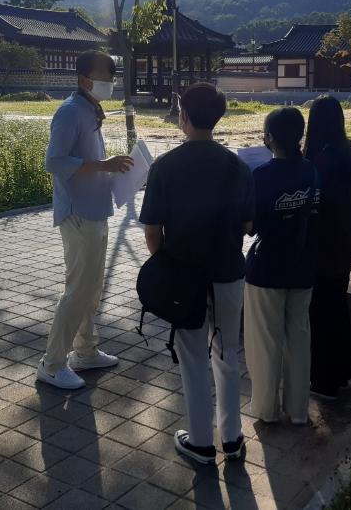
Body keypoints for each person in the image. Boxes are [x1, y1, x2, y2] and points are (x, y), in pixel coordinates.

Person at [139, 83, 255, 465]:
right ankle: (233, 439)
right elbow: (248, 225)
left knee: (192, 359)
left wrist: (167, 266)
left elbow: (152, 233)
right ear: (219, 117)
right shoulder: (238, 167)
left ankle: (201, 443)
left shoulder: (165, 166)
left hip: (183, 278)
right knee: (228, 354)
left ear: (183, 116)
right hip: (228, 273)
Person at [37, 51, 134, 390]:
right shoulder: (69, 112)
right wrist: (104, 166)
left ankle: (86, 351)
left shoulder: (89, 109)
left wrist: (113, 172)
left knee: (91, 288)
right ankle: (52, 364)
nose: (110, 84)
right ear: (83, 80)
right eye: (104, 78)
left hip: (94, 209)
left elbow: (87, 161)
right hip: (78, 213)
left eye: (112, 78)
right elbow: (54, 161)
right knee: (78, 289)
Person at [244, 108, 319, 425]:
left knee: (266, 342)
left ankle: (266, 410)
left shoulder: (261, 175)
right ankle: (298, 410)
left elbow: (250, 227)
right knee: (299, 338)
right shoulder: (311, 169)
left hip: (267, 268)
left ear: (269, 138)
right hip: (303, 265)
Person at [303, 96, 351, 400]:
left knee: (320, 312)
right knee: (337, 306)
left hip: (321, 243)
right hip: (346, 239)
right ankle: (341, 374)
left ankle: (324, 382)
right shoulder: (350, 150)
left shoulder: (318, 157)